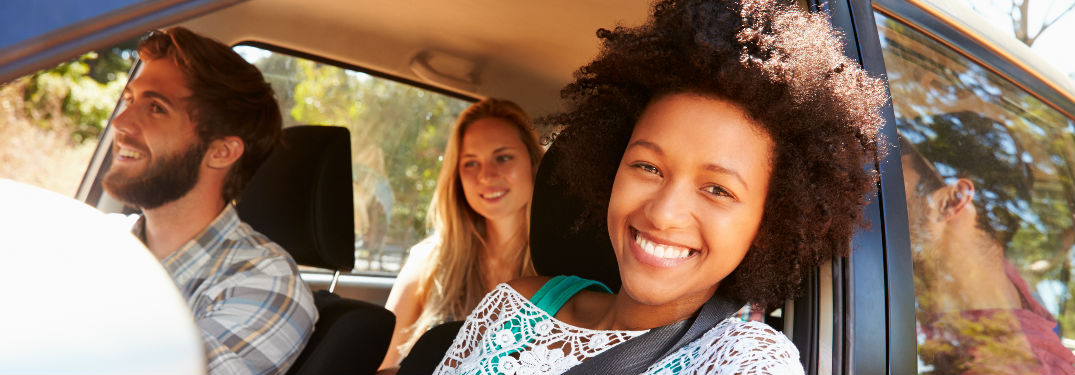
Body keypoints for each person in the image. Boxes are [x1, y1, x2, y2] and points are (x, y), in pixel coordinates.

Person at [432, 0, 887, 374]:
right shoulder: (515, 304)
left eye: (718, 190)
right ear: (610, 168)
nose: (664, 213)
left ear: (768, 223)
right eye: (648, 167)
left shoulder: (744, 360)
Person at [102, 27, 316, 375]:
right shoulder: (96, 241)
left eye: (156, 108)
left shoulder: (264, 283)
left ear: (221, 151)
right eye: (129, 101)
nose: (121, 123)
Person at [380, 98, 544, 370]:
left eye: (503, 157)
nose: (486, 176)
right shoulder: (428, 261)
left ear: (534, 163)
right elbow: (381, 366)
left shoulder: (561, 270)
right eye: (470, 163)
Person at [900, 136, 1075, 374]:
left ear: (952, 201)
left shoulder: (1000, 366)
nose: (874, 189)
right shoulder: (1005, 280)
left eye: (891, 181)